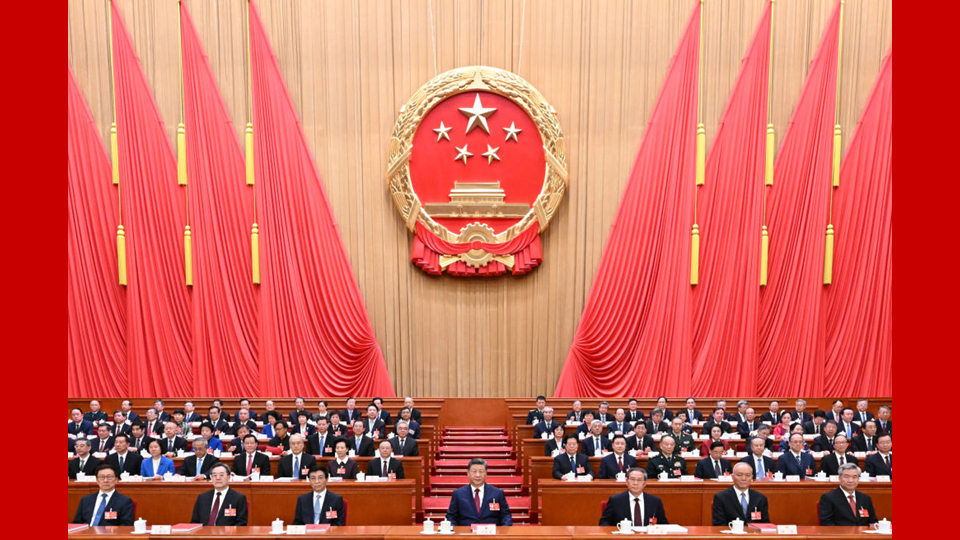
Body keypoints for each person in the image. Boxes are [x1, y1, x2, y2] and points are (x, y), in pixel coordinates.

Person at [446, 458, 513, 525]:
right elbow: (451, 516)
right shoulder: (458, 494)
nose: (478, 475)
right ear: (468, 473)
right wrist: (454, 530)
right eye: (474, 471)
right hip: (466, 534)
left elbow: (506, 515)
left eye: (481, 471)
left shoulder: (497, 493)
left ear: (486, 473)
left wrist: (504, 530)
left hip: (491, 534)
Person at [598, 468, 668, 526]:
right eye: (632, 479)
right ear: (627, 482)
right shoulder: (615, 500)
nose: (635, 483)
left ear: (645, 483)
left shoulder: (655, 501)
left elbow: (664, 524)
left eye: (639, 480)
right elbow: (604, 522)